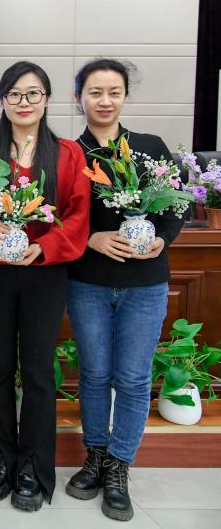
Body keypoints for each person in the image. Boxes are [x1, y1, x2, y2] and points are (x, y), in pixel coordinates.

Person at [0, 61, 90, 512]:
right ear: (2, 101)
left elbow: (78, 215)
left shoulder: (68, 154)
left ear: (47, 100)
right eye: (14, 94)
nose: (24, 102)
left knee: (36, 372)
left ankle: (32, 465)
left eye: (33, 93)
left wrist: (45, 246)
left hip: (45, 272)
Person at [65, 59, 184, 522]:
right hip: (88, 282)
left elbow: (174, 207)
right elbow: (59, 216)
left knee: (133, 379)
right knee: (94, 374)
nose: (105, 101)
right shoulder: (70, 154)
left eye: (113, 92)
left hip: (145, 283)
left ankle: (119, 466)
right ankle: (94, 456)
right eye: (95, 92)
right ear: (79, 98)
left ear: (125, 96)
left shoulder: (150, 148)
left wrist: (162, 239)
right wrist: (90, 239)